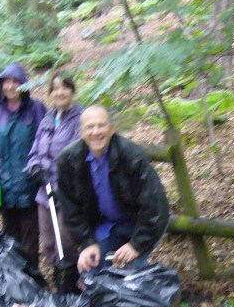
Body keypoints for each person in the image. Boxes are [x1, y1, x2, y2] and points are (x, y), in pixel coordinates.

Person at [55, 105, 169, 275]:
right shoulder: (68, 160)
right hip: (106, 226)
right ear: (80, 132)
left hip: (139, 223)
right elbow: (71, 210)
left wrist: (136, 245)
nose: (96, 132)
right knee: (90, 271)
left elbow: (156, 206)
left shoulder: (131, 156)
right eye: (90, 127)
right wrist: (87, 242)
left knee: (131, 275)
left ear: (112, 129)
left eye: (101, 126)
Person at [0, 63, 46, 262]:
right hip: (4, 186)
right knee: (10, 237)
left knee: (30, 237)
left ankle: (31, 277)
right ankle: (13, 280)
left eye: (16, 82)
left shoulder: (36, 109)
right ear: (1, 85)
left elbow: (44, 140)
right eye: (7, 82)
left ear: (24, 84)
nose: (11, 86)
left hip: (30, 184)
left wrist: (41, 168)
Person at [24, 74, 83, 293]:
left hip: (67, 193)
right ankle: (59, 283)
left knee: (66, 242)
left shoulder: (80, 118)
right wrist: (35, 168)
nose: (60, 92)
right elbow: (34, 152)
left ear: (72, 90)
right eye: (55, 88)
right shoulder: (48, 119)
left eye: (64, 88)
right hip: (44, 192)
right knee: (49, 242)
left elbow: (76, 157)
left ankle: (72, 286)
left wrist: (62, 186)